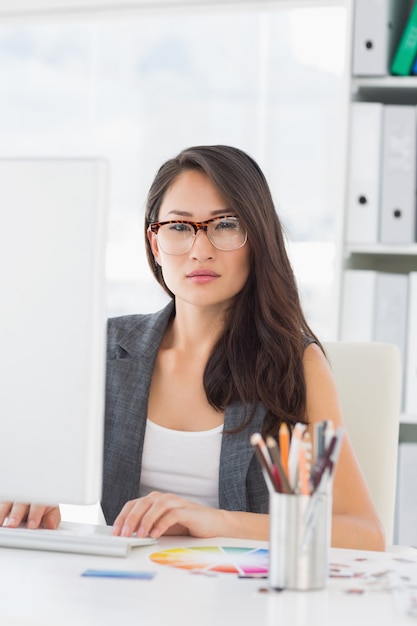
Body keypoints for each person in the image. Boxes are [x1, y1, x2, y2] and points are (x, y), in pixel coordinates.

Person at [0, 145, 385, 550]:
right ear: (155, 244)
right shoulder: (107, 352)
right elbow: (34, 466)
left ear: (258, 239)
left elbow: (363, 531)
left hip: (244, 600)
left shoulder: (295, 363)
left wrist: (214, 522)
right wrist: (32, 497)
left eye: (225, 225)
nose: (201, 250)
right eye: (180, 227)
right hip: (129, 593)